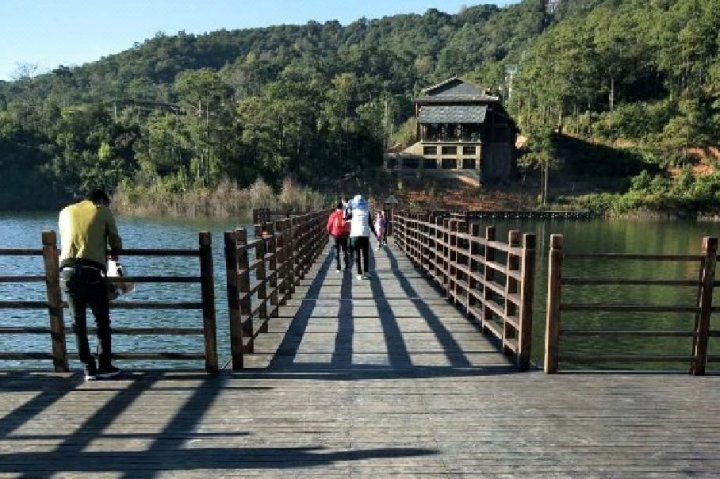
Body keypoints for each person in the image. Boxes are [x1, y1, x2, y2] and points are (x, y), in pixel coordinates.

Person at [59, 189, 123, 381]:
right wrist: (112, 250)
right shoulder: (102, 211)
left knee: (78, 323)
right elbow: (115, 242)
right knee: (102, 321)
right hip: (92, 272)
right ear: (102, 201)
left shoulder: (65, 212)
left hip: (67, 273)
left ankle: (88, 369)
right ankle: (104, 366)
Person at [346, 194, 377, 280]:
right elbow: (371, 224)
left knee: (357, 254)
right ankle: (366, 272)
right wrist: (375, 234)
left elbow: (345, 218)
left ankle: (359, 274)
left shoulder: (353, 211)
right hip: (365, 235)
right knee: (365, 254)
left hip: (355, 235)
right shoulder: (367, 211)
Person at [326, 202, 350, 272]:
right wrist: (348, 232)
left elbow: (329, 224)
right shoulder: (344, 214)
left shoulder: (333, 214)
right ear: (342, 207)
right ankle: (347, 266)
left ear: (336, 208)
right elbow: (348, 224)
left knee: (337, 250)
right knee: (345, 250)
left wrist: (329, 232)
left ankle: (338, 267)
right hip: (344, 234)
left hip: (335, 234)